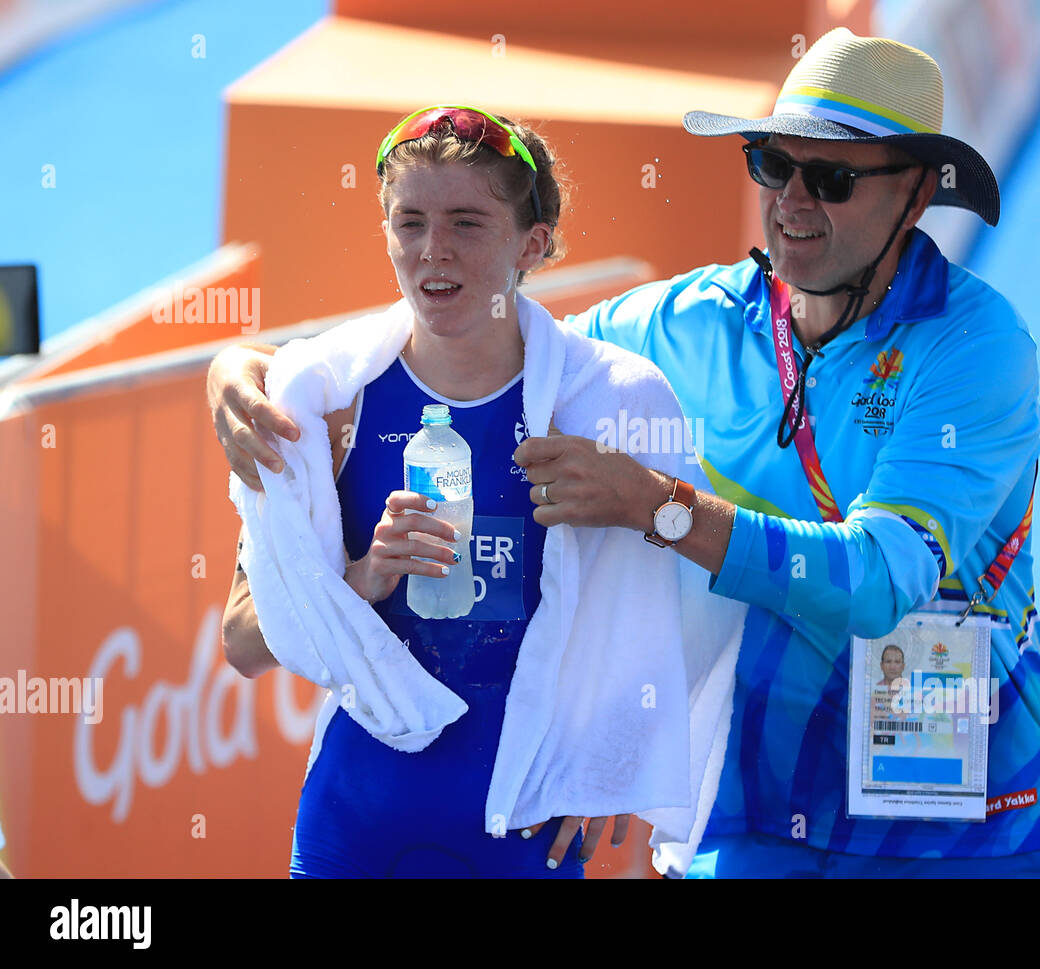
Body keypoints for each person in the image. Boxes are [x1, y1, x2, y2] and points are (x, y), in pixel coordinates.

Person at [210, 31, 1040, 879]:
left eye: (833, 178)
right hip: (744, 808)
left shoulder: (975, 347)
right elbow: (486, 344)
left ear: (915, 193)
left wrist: (659, 505)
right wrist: (254, 369)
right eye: (773, 165)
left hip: (950, 825)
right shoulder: (687, 321)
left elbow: (878, 585)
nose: (793, 201)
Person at [221, 105, 714, 877]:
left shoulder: (607, 404)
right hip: (353, 826)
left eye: (466, 222)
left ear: (533, 243)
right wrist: (361, 579)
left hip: (523, 829)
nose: (432, 251)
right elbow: (243, 641)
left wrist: (610, 756)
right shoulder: (327, 402)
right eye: (408, 221)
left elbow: (681, 606)